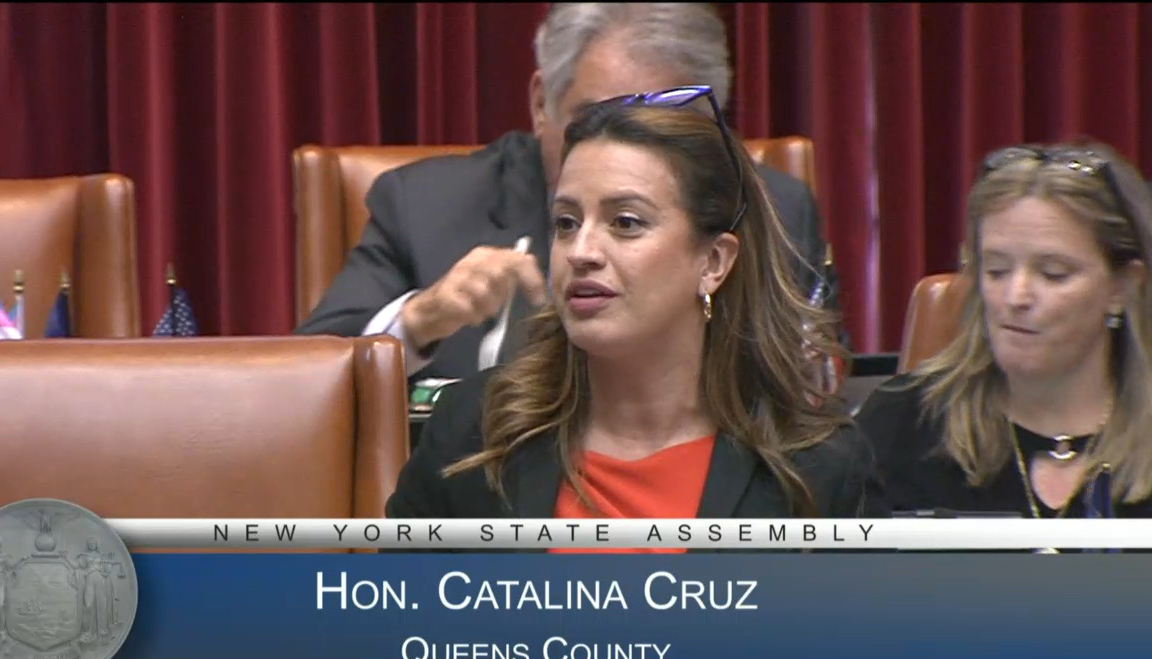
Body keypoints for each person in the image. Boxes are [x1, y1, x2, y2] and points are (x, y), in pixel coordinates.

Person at [384, 88, 884, 531]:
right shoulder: (473, 431)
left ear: (713, 262)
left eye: (625, 222)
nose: (581, 252)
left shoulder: (818, 468)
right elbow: (395, 607)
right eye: (566, 223)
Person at [295, 3, 844, 384]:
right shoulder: (423, 205)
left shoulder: (771, 210)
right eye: (597, 119)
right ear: (542, 103)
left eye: (658, 126)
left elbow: (820, 392)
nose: (622, 151)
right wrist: (419, 322)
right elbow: (308, 382)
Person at [855, 142, 1152, 526]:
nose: (1015, 297)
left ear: (1122, 287)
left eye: (1053, 274)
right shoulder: (901, 423)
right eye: (997, 270)